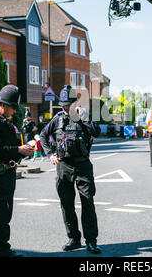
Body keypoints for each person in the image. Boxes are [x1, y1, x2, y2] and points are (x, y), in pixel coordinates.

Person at [40, 85, 101, 254]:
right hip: (63, 166)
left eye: (69, 104)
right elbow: (43, 135)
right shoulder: (58, 119)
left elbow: (96, 132)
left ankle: (91, 241)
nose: (66, 108)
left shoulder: (84, 117)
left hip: (82, 165)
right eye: (64, 105)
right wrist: (50, 154)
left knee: (87, 202)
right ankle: (73, 238)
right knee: (66, 204)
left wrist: (85, 117)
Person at [0, 85, 34, 257]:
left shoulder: (5, 122)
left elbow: (10, 146)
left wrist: (23, 151)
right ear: (3, 105)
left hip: (8, 171)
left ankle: (2, 248)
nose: (13, 111)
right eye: (12, 107)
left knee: (5, 212)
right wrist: (18, 150)